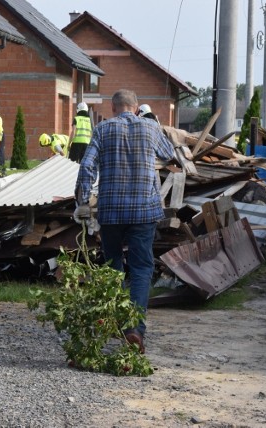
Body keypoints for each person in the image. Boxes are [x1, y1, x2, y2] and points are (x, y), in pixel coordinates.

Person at [74, 89, 174, 354]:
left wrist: (83, 201)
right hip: (144, 211)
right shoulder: (151, 127)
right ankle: (134, 329)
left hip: (112, 212)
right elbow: (170, 154)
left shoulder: (103, 129)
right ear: (136, 106)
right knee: (141, 268)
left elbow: (86, 167)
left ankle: (110, 323)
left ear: (113, 107)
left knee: (112, 266)